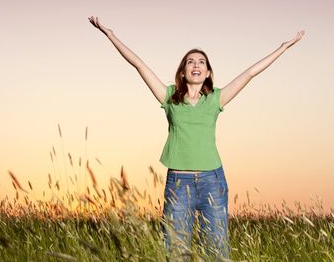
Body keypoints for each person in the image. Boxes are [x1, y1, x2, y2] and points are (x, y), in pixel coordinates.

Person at [88, 16, 305, 260]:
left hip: (212, 181)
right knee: (175, 251)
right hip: (178, 185)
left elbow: (250, 73)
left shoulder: (215, 99)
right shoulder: (169, 97)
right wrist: (110, 34)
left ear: (208, 72)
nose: (196, 64)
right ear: (183, 71)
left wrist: (283, 47)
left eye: (201, 62)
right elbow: (139, 64)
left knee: (217, 251)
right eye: (190, 61)